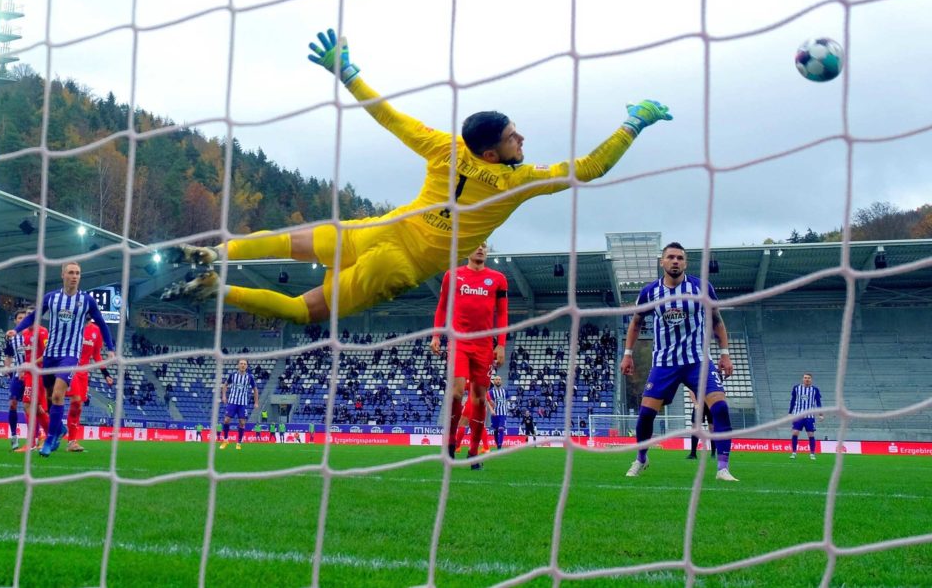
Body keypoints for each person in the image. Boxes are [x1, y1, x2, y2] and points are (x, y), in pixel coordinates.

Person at [161, 28, 672, 323]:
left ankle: (217, 254)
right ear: (493, 154)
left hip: (381, 231)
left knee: (289, 243)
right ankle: (220, 289)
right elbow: (589, 168)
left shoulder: (444, 147)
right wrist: (634, 122)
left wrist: (347, 73)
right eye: (515, 137)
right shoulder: (520, 181)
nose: (524, 140)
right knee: (302, 312)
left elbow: (388, 116)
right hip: (398, 265)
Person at [621, 242, 738, 481]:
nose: (675, 261)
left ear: (685, 263)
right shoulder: (649, 292)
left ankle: (723, 468)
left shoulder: (701, 288)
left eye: (680, 258)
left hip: (698, 361)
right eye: (671, 257)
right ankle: (641, 459)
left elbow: (716, 320)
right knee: (645, 416)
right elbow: (635, 323)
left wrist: (724, 353)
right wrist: (628, 354)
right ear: (662, 262)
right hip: (664, 363)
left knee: (721, 408)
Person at [7, 262, 117, 457]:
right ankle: (57, 431)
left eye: (78, 273)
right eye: (71, 273)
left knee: (58, 395)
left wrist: (111, 348)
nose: (74, 276)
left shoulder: (87, 301)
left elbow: (101, 323)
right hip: (50, 354)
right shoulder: (51, 298)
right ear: (63, 275)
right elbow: (32, 317)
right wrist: (15, 330)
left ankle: (49, 439)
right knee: (49, 400)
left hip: (70, 355)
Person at [431, 242, 507, 469]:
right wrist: (436, 335)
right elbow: (443, 307)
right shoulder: (452, 276)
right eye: (477, 244)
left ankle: (474, 452)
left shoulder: (498, 279)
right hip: (459, 342)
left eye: (485, 245)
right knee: (455, 393)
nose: (481, 248)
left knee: (480, 399)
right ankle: (451, 442)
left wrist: (501, 344)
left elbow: (502, 313)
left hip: (484, 346)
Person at [65, 318, 115, 453]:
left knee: (78, 406)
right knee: (74, 400)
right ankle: (54, 431)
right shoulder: (72, 324)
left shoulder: (96, 330)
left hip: (84, 373)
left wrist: (106, 374)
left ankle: (71, 441)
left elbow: (96, 355)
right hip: (70, 367)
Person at [2, 308, 49, 452]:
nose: (23, 320)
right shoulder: (13, 338)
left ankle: (44, 435)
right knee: (14, 404)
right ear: (16, 321)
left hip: (34, 373)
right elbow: (9, 355)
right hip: (19, 374)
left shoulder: (35, 333)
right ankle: (15, 436)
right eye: (20, 318)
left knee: (35, 406)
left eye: (25, 317)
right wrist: (7, 367)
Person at [219, 359, 259, 451]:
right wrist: (224, 396)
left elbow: (255, 389)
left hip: (242, 403)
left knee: (242, 422)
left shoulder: (250, 377)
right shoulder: (233, 375)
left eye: (244, 364)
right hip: (232, 402)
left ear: (247, 366)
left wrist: (256, 402)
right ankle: (225, 440)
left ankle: (239, 442)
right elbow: (225, 385)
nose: (243, 365)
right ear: (238, 365)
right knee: (226, 420)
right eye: (241, 364)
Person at [789, 372, 823, 460]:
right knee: (795, 432)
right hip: (798, 414)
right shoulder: (796, 388)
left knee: (811, 434)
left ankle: (812, 453)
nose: (806, 379)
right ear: (802, 379)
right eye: (805, 377)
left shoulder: (815, 390)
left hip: (810, 416)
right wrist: (790, 412)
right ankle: (794, 452)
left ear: (811, 379)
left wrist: (821, 414)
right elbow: (793, 401)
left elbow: (818, 403)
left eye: (808, 378)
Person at [686, 388, 716, 460]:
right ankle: (693, 454)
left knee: (712, 429)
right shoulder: (696, 377)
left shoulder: (715, 377)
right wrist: (696, 404)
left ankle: (713, 454)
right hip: (699, 404)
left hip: (711, 404)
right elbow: (691, 390)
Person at [487, 374, 508, 450]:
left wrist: (506, 408)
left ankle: (499, 446)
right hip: (494, 413)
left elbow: (507, 400)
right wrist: (491, 410)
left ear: (501, 381)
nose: (498, 381)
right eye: (496, 379)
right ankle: (497, 445)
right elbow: (489, 402)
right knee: (496, 430)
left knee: (501, 429)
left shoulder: (505, 391)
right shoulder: (490, 392)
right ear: (494, 381)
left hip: (503, 413)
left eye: (499, 379)